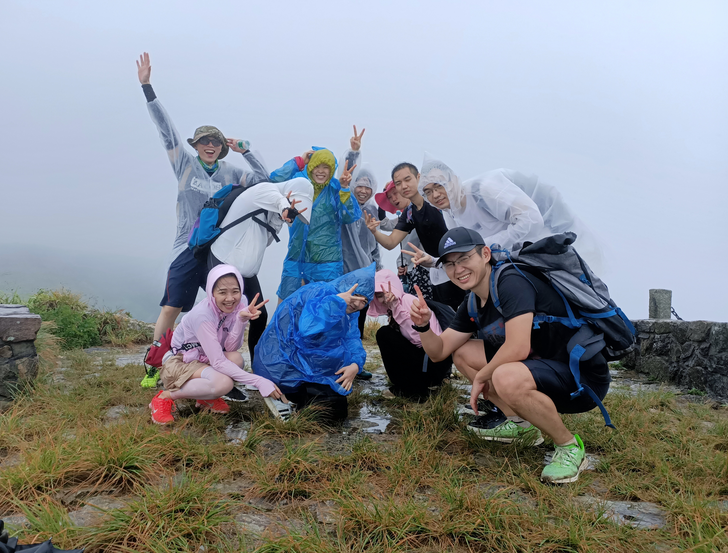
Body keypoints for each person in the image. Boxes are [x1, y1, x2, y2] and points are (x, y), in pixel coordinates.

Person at [409, 227, 611, 484]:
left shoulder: (511, 281)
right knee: (463, 353)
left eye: (464, 259)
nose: (457, 269)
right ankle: (521, 425)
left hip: (581, 377)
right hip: (541, 368)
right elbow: (439, 352)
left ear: (484, 254)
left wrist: (481, 377)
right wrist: (423, 325)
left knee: (504, 375)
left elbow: (518, 348)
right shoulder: (472, 301)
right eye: (449, 264)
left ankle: (569, 447)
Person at [136, 53, 270, 365]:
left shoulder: (233, 173)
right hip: (187, 246)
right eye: (204, 141)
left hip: (221, 251)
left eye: (216, 143)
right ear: (195, 145)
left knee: (241, 304)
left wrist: (246, 150)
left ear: (222, 148)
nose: (210, 146)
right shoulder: (183, 163)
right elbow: (166, 131)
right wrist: (147, 89)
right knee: (173, 306)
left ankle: (237, 362)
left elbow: (263, 181)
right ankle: (155, 362)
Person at [149, 264, 285, 425]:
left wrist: (241, 321)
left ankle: (205, 398)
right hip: (179, 362)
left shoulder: (239, 302)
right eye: (222, 292)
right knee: (223, 383)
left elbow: (231, 347)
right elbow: (218, 361)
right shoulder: (203, 315)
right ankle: (164, 397)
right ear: (211, 293)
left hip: (203, 357)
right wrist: (258, 381)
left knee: (236, 359)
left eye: (235, 291)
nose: (230, 298)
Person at [417, 155, 603, 272]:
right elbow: (462, 251)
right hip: (520, 264)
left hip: (558, 247)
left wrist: (483, 247)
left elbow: (532, 220)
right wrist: (435, 262)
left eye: (439, 186)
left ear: (453, 179)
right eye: (428, 192)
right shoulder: (450, 210)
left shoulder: (484, 190)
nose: (435, 195)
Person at [208, 177, 313, 362]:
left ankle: (257, 363)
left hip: (246, 273)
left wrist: (280, 219)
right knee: (223, 316)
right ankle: (215, 361)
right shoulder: (264, 190)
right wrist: (284, 207)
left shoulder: (268, 208)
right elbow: (277, 199)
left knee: (260, 314)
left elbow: (266, 241)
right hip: (223, 264)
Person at [253, 264, 375, 421]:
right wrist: (337, 302)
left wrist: (355, 365)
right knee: (326, 409)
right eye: (356, 294)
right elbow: (307, 327)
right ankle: (279, 394)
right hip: (280, 363)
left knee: (335, 410)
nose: (358, 303)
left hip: (307, 362)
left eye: (364, 301)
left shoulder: (350, 314)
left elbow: (352, 341)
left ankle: (292, 400)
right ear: (345, 285)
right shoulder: (319, 291)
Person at [270, 127, 365, 302]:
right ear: (311, 167)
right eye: (317, 166)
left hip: (327, 264)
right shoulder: (298, 185)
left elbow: (349, 216)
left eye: (326, 167)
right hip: (296, 260)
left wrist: (344, 189)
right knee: (286, 310)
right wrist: (298, 161)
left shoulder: (335, 188)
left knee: (326, 313)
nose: (321, 171)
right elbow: (273, 181)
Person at [364, 162, 464, 309]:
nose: (404, 186)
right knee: (447, 318)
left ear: (419, 177)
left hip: (460, 265)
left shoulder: (435, 200)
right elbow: (391, 242)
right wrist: (374, 232)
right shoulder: (409, 212)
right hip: (438, 271)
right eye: (398, 183)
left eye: (407, 179)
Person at [368, 269, 452, 400]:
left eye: (386, 292)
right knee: (386, 333)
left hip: (433, 362)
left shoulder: (407, 300)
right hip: (428, 361)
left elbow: (418, 338)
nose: (384, 298)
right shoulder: (393, 308)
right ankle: (406, 385)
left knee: (384, 334)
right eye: (379, 295)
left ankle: (411, 389)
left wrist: (396, 308)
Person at [341, 165, 382, 338]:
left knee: (360, 311)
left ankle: (355, 354)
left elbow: (374, 244)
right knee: (342, 311)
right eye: (360, 186)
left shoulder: (372, 210)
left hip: (365, 271)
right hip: (342, 270)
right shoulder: (345, 205)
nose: (363, 191)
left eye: (368, 187)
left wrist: (378, 269)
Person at [374, 181, 433, 300]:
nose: (393, 199)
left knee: (425, 306)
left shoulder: (419, 209)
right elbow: (384, 224)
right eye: (389, 197)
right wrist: (382, 200)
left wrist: (404, 261)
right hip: (410, 269)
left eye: (395, 193)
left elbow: (415, 240)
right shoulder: (403, 218)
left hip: (424, 267)